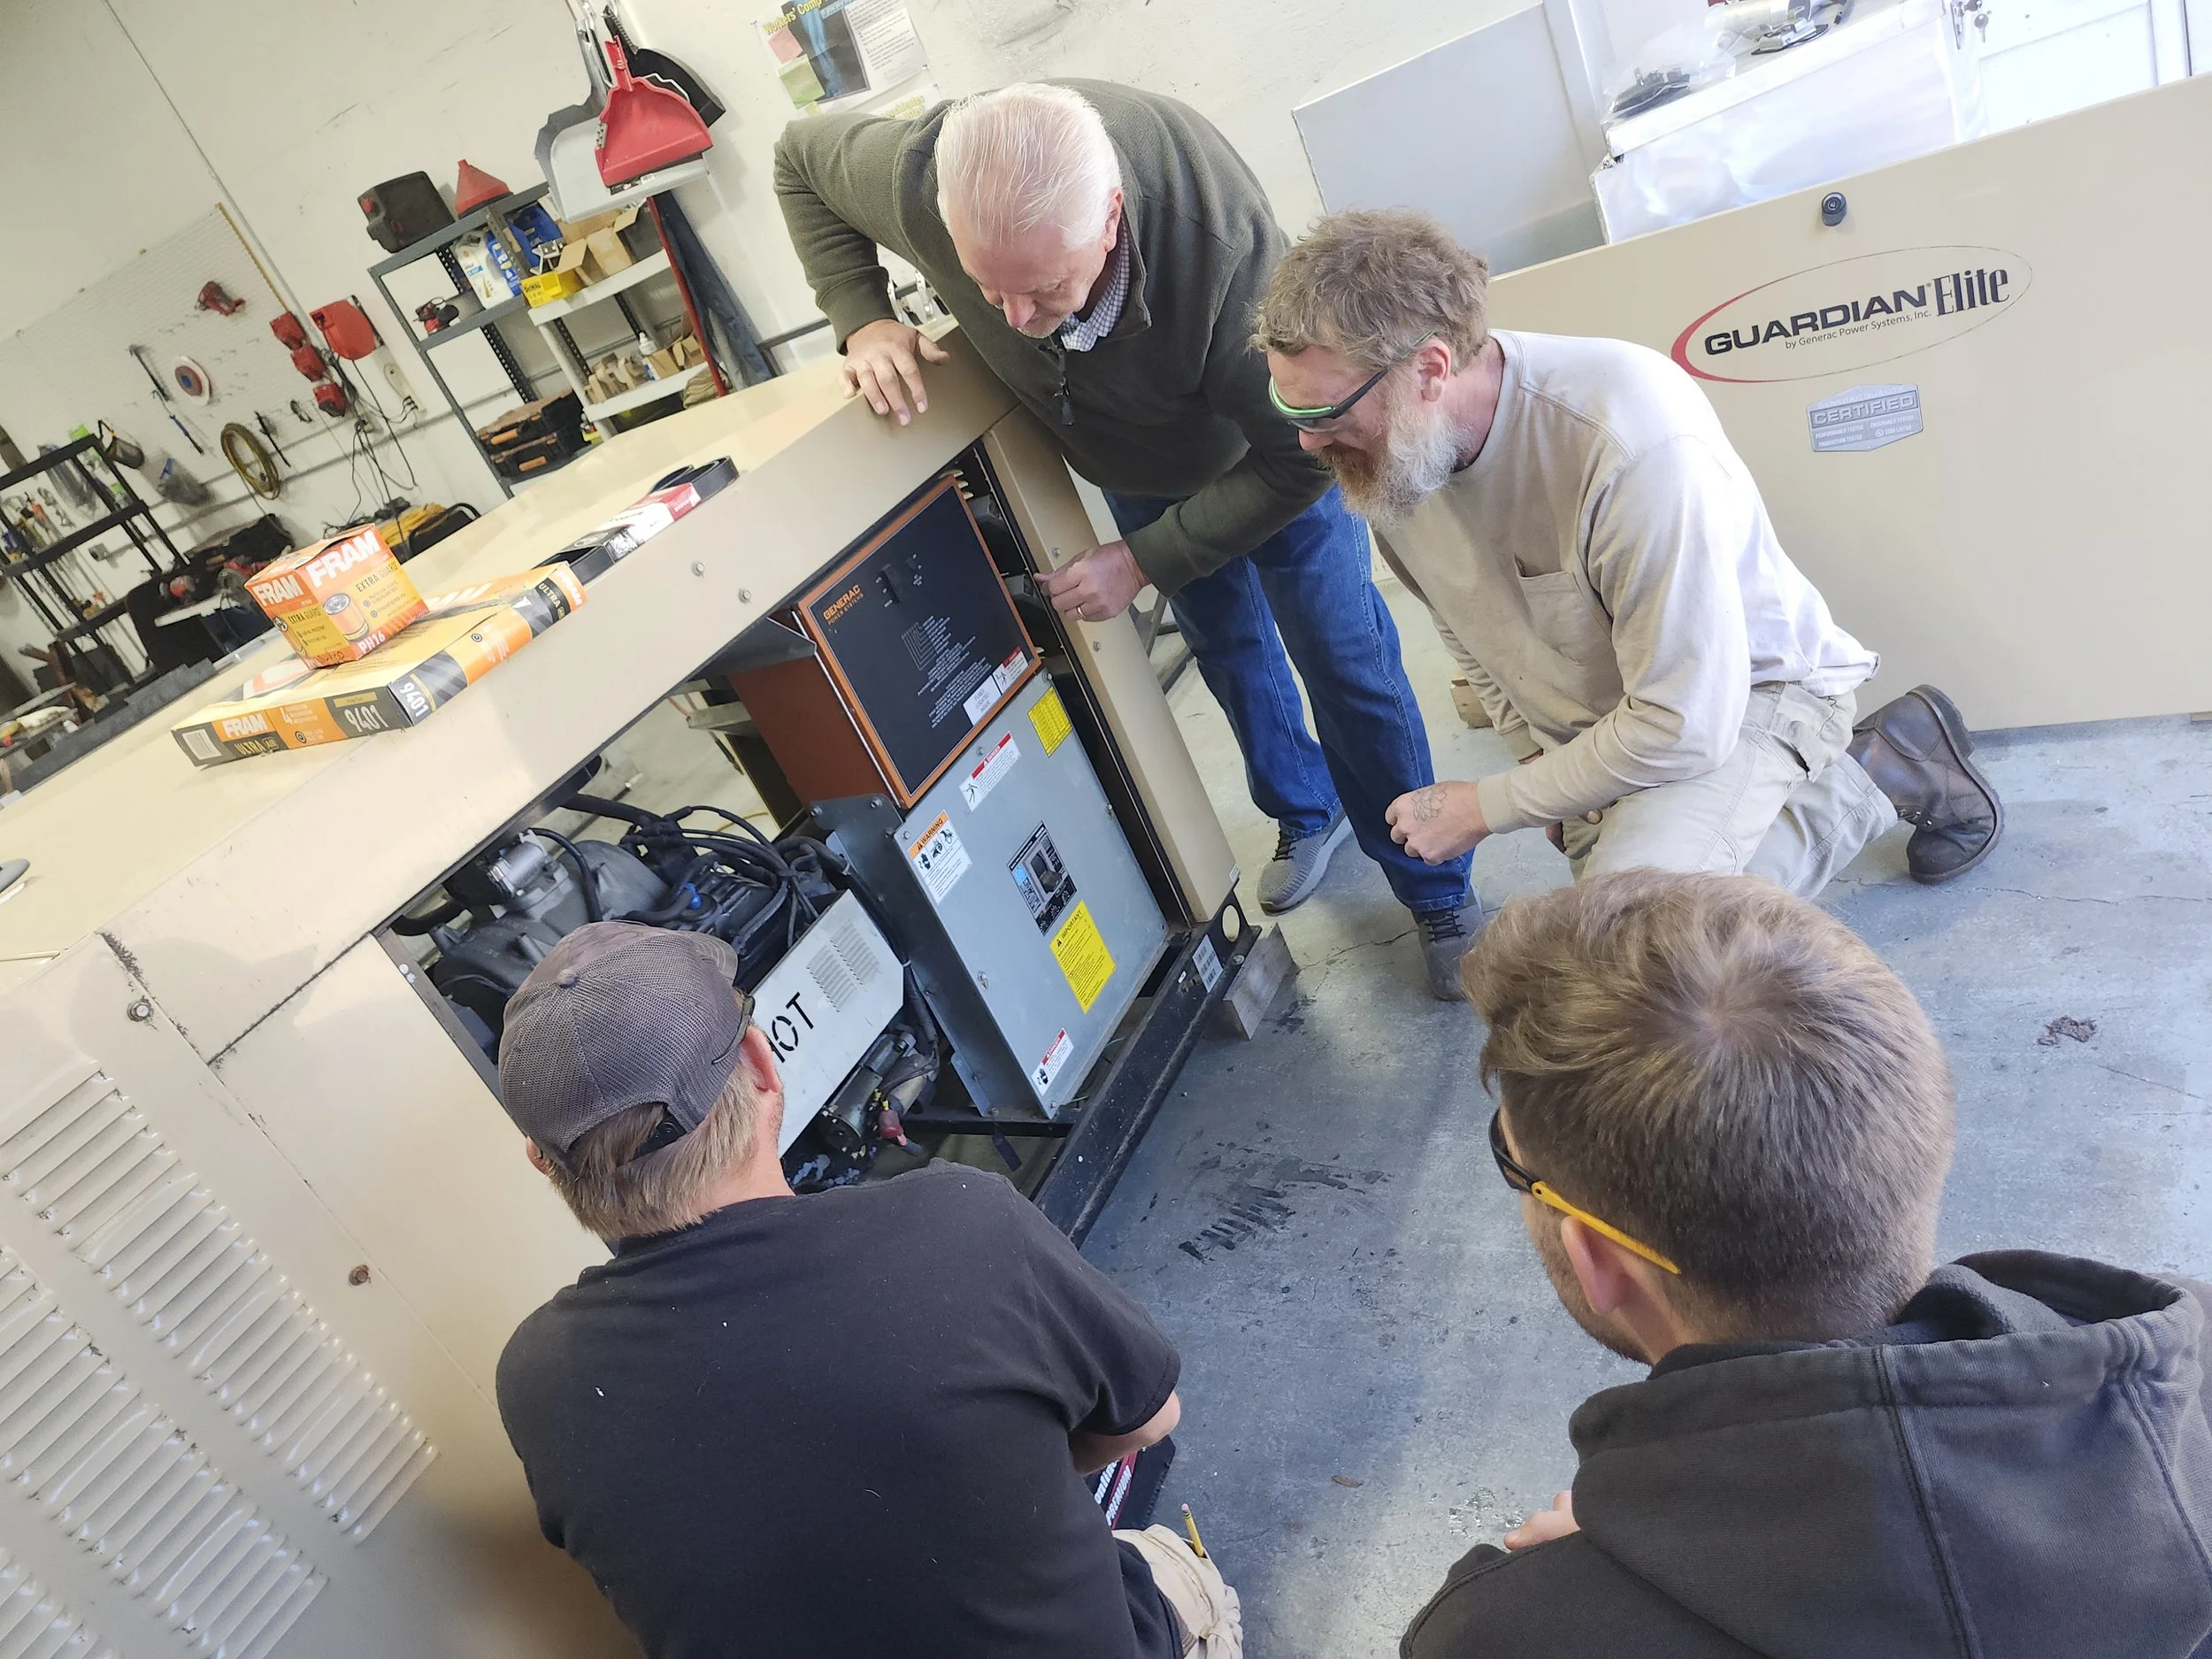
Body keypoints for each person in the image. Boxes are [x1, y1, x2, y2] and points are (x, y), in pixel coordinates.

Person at [774, 83, 1481, 998]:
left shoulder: (1226, 266)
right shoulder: (917, 175)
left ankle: (1433, 886)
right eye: (987, 289)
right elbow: (797, 159)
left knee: (1340, 652)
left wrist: (1141, 559)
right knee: (1227, 646)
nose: (1016, 321)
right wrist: (861, 313)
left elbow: (1295, 462)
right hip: (1136, 455)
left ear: (1110, 219)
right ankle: (1305, 809)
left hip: (1272, 446)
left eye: (1042, 290)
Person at [1401, 867, 2212, 1658]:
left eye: (1513, 1162)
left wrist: (1588, 1590)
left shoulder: (1502, 1634)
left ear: (1600, 1255)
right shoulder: (2192, 1361)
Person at [491, 921, 1240, 1658]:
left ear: (540, 1161)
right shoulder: (962, 1223)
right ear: (761, 1064)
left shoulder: (534, 1378)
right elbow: (1148, 1419)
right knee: (1169, 1561)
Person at [1252, 209, 2003, 895]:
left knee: (1643, 947)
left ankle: (1874, 769)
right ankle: (1895, 753)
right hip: (1609, 724)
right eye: (1289, 405)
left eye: (1323, 410)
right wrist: (1533, 762)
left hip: (1744, 696)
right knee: (1628, 946)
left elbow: (1685, 721)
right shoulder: (1394, 457)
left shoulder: (1628, 437)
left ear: (1432, 370)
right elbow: (1469, 631)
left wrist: (1489, 806)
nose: (1306, 439)